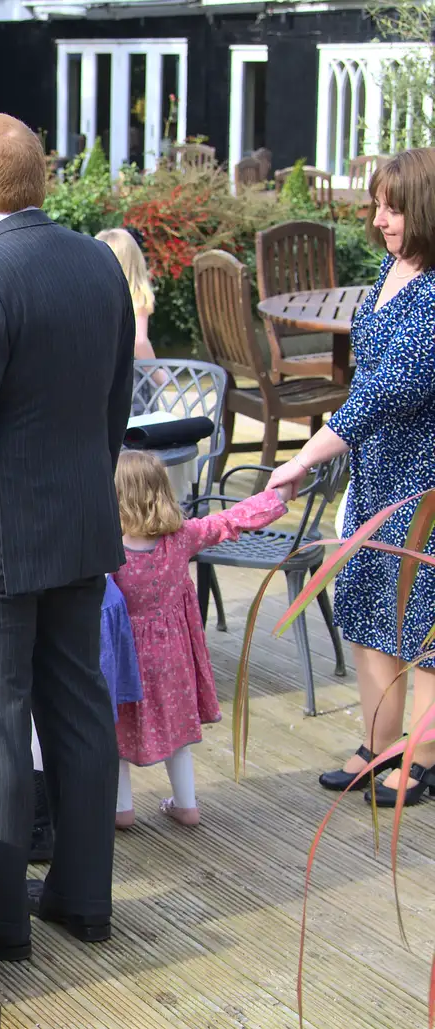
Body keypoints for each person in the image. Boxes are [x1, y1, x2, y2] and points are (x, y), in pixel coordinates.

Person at [0, 112, 135, 961]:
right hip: (79, 526)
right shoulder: (99, 263)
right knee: (79, 710)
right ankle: (84, 898)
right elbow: (114, 409)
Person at [266, 147, 435, 808]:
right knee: (366, 602)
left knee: (420, 621)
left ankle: (421, 755)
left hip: (420, 480)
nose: (381, 219)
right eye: (377, 206)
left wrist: (306, 456)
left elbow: (385, 392)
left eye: (395, 208)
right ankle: (379, 742)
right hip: (375, 471)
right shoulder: (393, 267)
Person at [111, 451, 289, 828]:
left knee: (118, 736)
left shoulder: (107, 549)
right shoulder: (182, 538)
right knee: (177, 734)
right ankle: (187, 804)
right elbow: (229, 521)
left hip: (124, 662)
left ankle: (121, 810)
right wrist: (277, 498)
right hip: (173, 656)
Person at [96, 228, 157, 361]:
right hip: (128, 378)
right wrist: (157, 374)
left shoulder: (89, 300)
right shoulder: (135, 298)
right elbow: (139, 341)